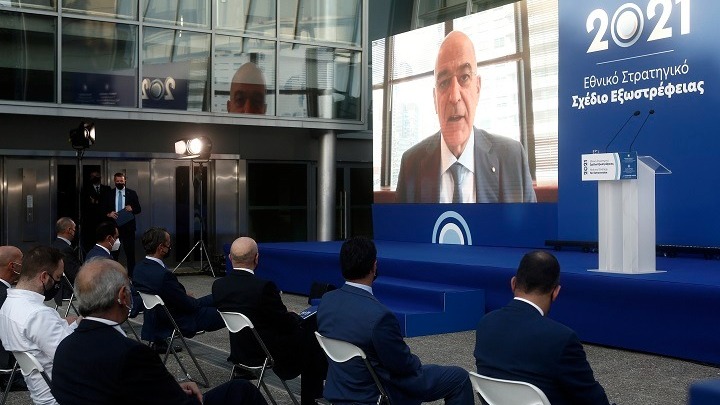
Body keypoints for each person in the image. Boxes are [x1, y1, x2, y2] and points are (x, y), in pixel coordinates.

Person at [51, 258, 268, 405]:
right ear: (123, 296)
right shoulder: (131, 354)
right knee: (241, 391)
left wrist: (171, 387)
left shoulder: (65, 348)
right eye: (130, 290)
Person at [317, 236, 473, 404]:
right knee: (459, 377)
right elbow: (403, 365)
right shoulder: (380, 317)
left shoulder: (326, 301)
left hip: (341, 388)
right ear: (374, 266)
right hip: (378, 392)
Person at [395, 30, 536, 203]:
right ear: (434, 99)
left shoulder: (513, 159)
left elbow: (530, 222)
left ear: (477, 88)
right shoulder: (410, 165)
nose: (454, 96)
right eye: (444, 82)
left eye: (464, 77)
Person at [474, 251, 612, 405]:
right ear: (556, 292)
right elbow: (593, 400)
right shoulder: (561, 339)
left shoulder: (486, 323)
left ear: (513, 283)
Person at [213, 237, 327, 405]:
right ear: (256, 258)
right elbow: (285, 323)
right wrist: (295, 317)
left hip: (240, 350)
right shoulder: (263, 287)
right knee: (312, 336)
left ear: (230, 258)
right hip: (266, 352)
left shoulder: (218, 286)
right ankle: (311, 399)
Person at [0, 246, 79, 405]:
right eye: (58, 277)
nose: (58, 282)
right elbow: (72, 358)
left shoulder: (9, 303)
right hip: (62, 394)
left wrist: (75, 323)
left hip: (41, 391)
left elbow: (46, 335)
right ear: (44, 277)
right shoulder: (38, 314)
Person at [133, 227, 224, 350]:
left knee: (218, 297)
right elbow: (188, 305)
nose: (170, 247)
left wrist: (184, 296)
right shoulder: (164, 275)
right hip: (179, 318)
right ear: (161, 247)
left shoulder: (139, 268)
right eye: (168, 244)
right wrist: (187, 297)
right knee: (232, 312)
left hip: (159, 316)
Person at [103, 172, 141, 277]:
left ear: (125, 181)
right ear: (114, 181)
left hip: (128, 228)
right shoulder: (109, 194)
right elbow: (102, 209)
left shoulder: (131, 193)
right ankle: (114, 275)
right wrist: (109, 214)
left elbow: (138, 209)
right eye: (118, 181)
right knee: (114, 253)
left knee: (130, 253)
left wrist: (132, 208)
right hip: (114, 228)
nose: (120, 182)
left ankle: (131, 276)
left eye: (121, 181)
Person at [0, 245, 24, 391]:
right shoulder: (7, 297)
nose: (25, 265)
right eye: (22, 260)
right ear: (12, 266)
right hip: (8, 372)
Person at [51, 217, 82, 305]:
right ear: (69, 230)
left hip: (57, 289)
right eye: (74, 229)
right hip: (67, 290)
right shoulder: (65, 249)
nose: (75, 232)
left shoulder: (53, 245)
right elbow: (74, 273)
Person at [80, 170, 111, 254]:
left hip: (103, 221)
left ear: (100, 177)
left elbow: (108, 203)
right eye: (93, 176)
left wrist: (96, 201)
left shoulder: (107, 189)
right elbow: (84, 205)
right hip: (90, 222)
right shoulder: (85, 189)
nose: (95, 177)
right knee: (90, 244)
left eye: (97, 175)